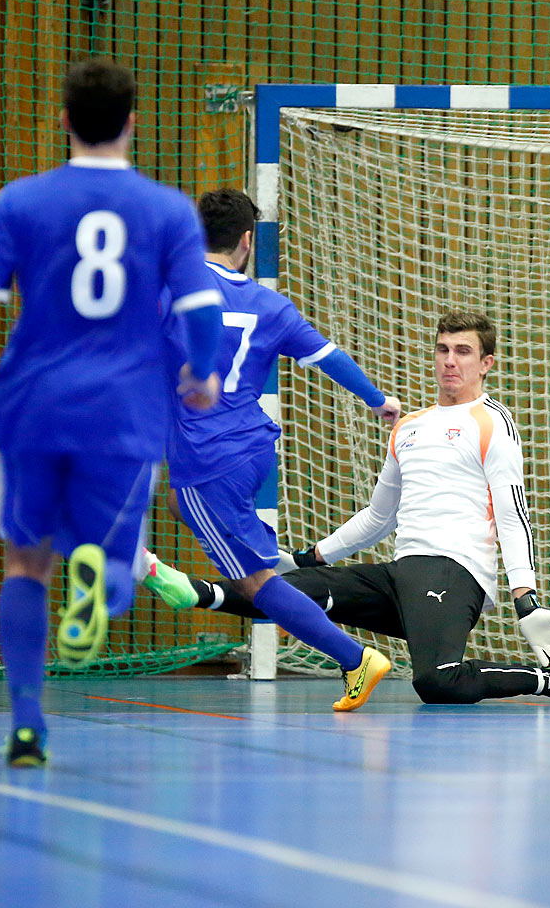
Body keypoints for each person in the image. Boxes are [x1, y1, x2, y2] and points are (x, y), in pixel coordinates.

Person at [0, 57, 224, 766]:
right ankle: (99, 581)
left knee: (23, 562)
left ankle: (28, 723)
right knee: (114, 551)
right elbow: (200, 307)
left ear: (63, 121)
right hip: (124, 413)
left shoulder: (22, 200)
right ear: (134, 124)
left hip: (32, 406)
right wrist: (202, 374)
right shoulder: (166, 210)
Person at [153, 310, 550, 705]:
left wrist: (526, 600)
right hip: (402, 575)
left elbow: (512, 512)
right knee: (292, 589)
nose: (449, 362)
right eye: (442, 350)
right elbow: (379, 518)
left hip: (453, 572)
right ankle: (194, 590)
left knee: (437, 681)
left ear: (486, 364)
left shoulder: (492, 422)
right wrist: (308, 556)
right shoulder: (409, 426)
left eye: (463, 352)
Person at [139, 187, 401, 712]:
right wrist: (379, 402)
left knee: (255, 582)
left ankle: (354, 658)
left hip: (209, 457)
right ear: (245, 241)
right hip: (252, 450)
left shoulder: (173, 291)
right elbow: (329, 356)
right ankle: (201, 568)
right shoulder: (270, 305)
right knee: (177, 503)